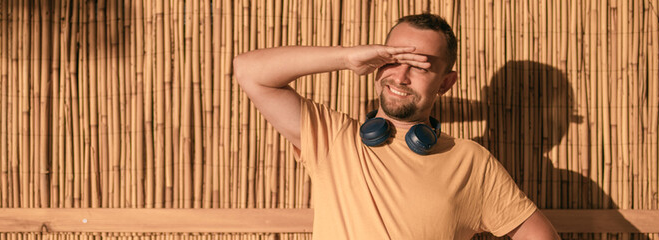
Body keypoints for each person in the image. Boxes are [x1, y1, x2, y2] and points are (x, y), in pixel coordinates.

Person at [233, 13, 560, 240]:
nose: (401, 77)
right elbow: (249, 70)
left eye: (421, 67)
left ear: (446, 83)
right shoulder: (334, 138)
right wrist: (348, 58)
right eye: (393, 59)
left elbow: (538, 234)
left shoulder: (470, 161)